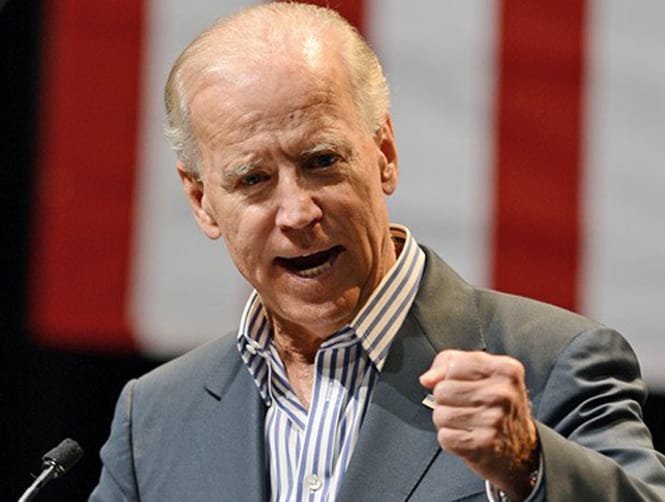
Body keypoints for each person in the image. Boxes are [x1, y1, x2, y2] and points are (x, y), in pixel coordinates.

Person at [90, 3, 665, 501]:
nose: (297, 213)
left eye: (322, 162)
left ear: (384, 153)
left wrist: (529, 465)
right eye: (253, 180)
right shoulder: (155, 419)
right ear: (202, 201)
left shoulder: (553, 363)